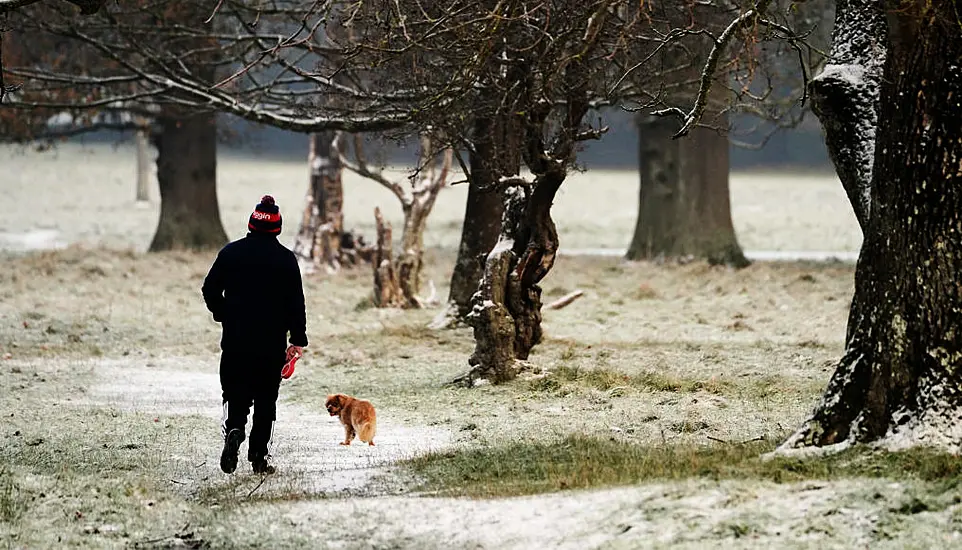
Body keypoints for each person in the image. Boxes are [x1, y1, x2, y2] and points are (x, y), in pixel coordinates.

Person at [202, 195, 308, 475]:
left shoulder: (230, 253)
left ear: (251, 224)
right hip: (270, 346)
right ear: (277, 228)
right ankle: (259, 457)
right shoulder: (286, 260)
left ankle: (234, 429)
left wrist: (223, 312)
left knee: (234, 394)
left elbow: (209, 289)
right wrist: (297, 339)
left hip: (235, 343)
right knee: (265, 401)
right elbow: (296, 303)